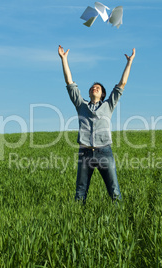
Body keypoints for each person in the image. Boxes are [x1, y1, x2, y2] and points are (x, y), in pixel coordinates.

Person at [58, 45, 135, 203]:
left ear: (102, 94)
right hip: (85, 152)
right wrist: (64, 59)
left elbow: (122, 84)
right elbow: (70, 83)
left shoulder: (108, 105)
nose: (95, 88)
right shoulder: (81, 105)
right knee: (80, 191)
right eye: (93, 87)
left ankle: (118, 218)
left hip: (104, 151)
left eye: (98, 88)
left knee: (114, 190)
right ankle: (77, 220)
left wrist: (129, 63)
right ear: (89, 93)